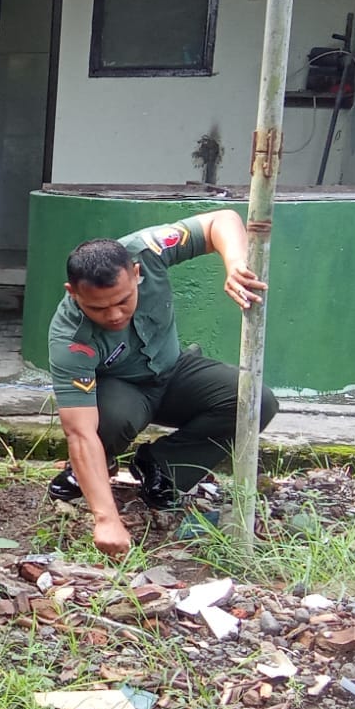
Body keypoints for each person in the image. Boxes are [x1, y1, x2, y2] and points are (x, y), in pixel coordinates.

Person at [47, 209, 279, 557]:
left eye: (123, 300)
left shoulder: (148, 250)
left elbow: (221, 221)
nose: (114, 315)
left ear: (136, 273)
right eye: (98, 308)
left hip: (174, 370)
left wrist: (235, 265)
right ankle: (92, 471)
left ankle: (163, 467)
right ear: (73, 293)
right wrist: (106, 519)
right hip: (124, 392)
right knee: (103, 424)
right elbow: (79, 433)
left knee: (255, 401)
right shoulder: (69, 338)